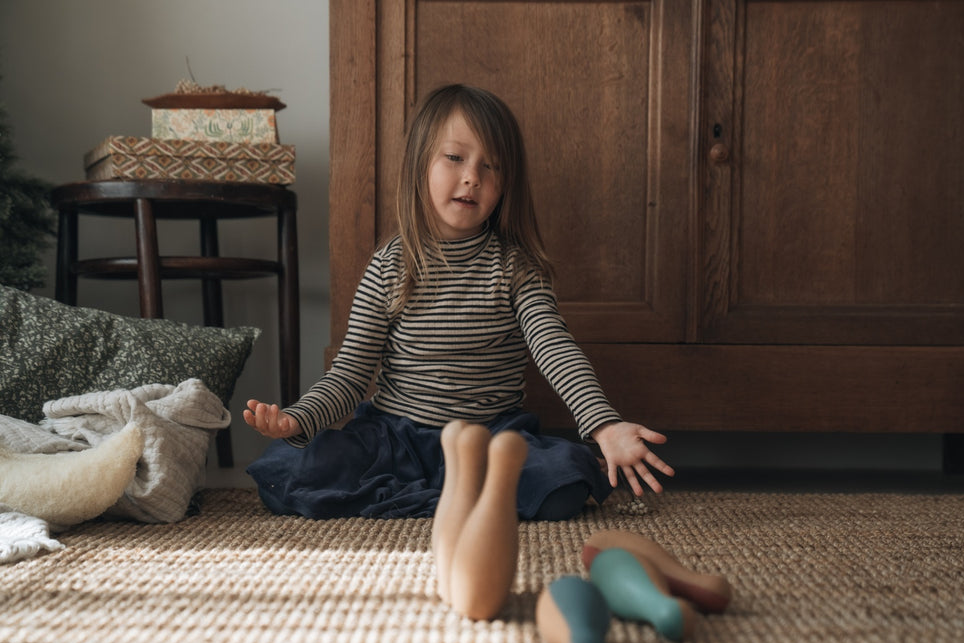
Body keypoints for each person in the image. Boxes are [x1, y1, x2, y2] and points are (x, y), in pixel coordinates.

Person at [244, 83, 674, 524]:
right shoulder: (390, 264)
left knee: (561, 482)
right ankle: (452, 497)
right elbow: (350, 375)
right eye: (455, 158)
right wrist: (297, 420)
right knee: (286, 470)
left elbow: (555, 350)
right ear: (420, 164)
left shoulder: (516, 268)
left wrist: (603, 424)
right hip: (396, 438)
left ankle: (438, 495)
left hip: (487, 438)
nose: (473, 176)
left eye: (491, 166)